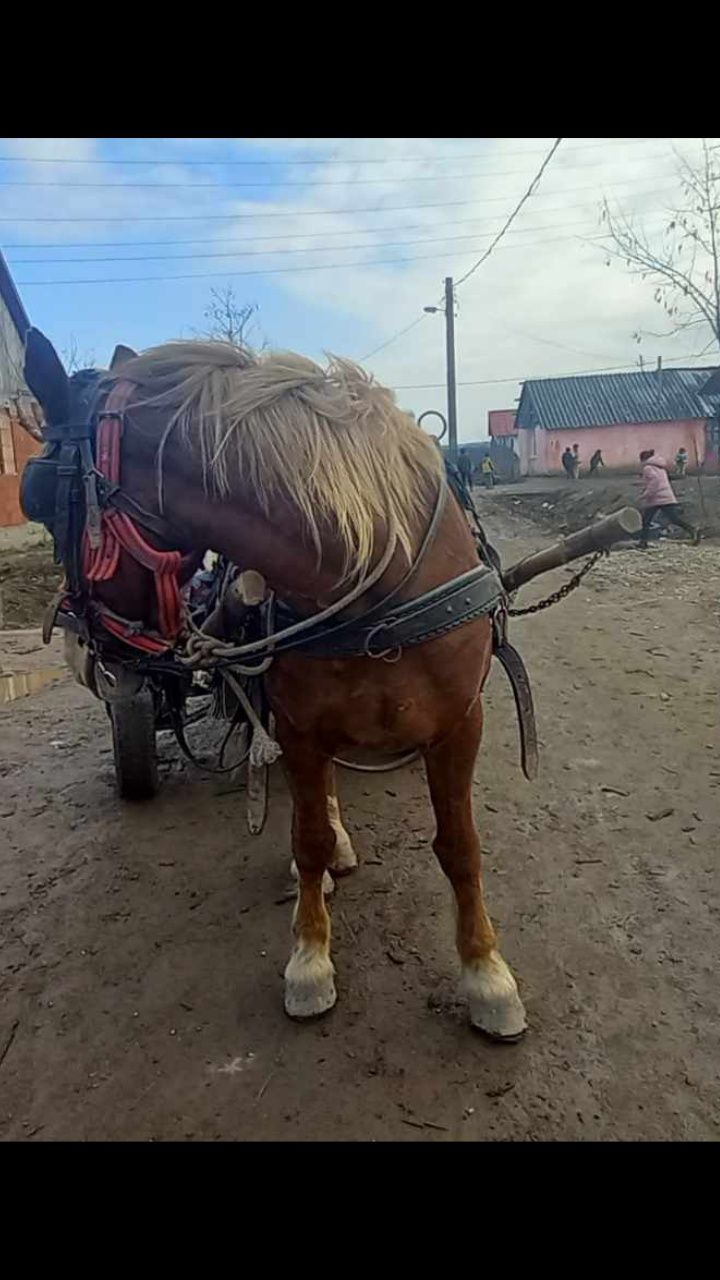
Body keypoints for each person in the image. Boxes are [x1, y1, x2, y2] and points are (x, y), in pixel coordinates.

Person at [637, 449, 700, 549]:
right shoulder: (660, 467)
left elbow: (654, 483)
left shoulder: (648, 468)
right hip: (667, 497)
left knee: (646, 521)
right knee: (674, 519)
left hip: (656, 499)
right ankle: (692, 530)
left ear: (644, 459)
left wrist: (645, 495)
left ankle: (643, 543)